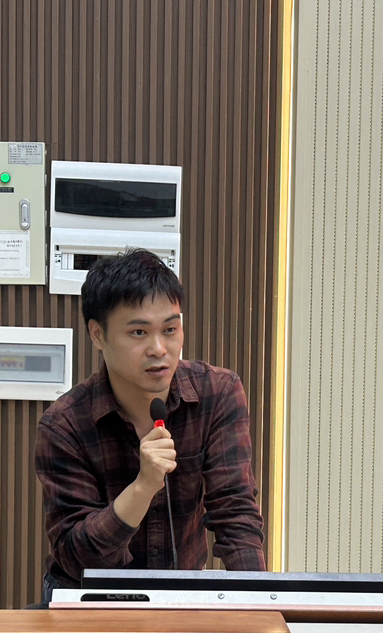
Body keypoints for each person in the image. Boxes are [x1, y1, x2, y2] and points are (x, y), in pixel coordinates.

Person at [35, 249, 266, 603]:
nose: (159, 349)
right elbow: (79, 558)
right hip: (88, 597)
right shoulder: (64, 425)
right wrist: (143, 487)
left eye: (170, 330)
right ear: (97, 335)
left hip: (181, 593)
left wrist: (258, 603)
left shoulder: (217, 392)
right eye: (139, 332)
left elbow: (235, 513)